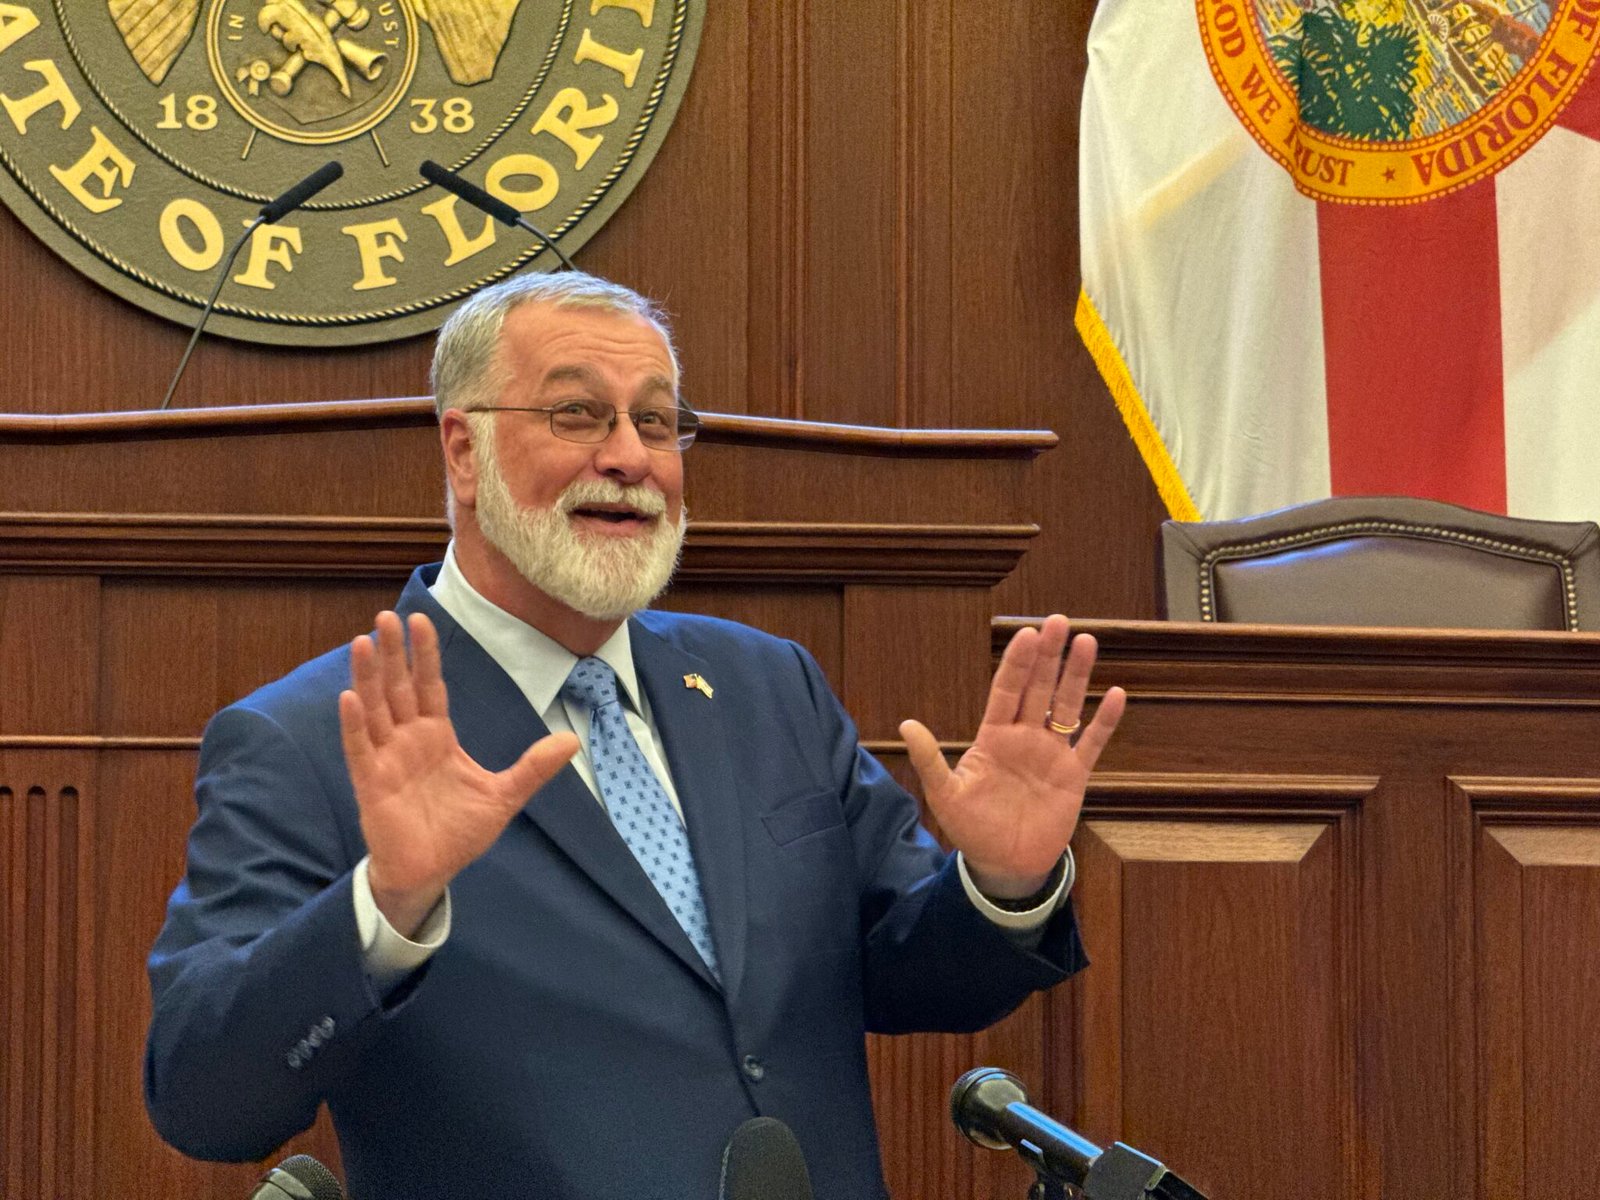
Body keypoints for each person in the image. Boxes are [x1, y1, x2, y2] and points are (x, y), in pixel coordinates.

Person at [143, 271, 1126, 1200]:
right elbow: (203, 1101)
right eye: (577, 413)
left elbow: (907, 974)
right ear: (463, 452)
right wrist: (387, 906)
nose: (629, 457)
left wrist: (999, 886)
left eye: (656, 421)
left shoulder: (765, 685)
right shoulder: (308, 738)